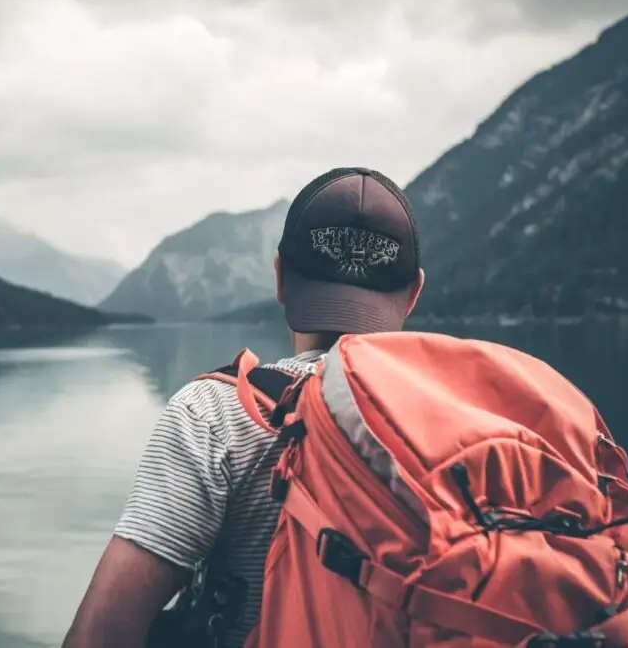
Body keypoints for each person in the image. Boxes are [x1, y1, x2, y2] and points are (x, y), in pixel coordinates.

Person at [62, 167, 426, 648]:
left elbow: (100, 636)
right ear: (413, 293)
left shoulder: (214, 414)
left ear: (280, 278)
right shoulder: (473, 425)